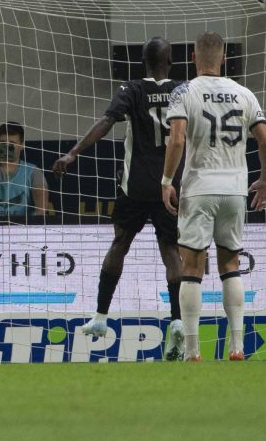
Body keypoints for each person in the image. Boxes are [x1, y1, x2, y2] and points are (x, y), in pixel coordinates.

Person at [52, 37, 186, 360]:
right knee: (171, 251)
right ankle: (178, 319)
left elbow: (106, 122)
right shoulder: (183, 90)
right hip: (170, 185)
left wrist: (73, 154)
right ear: (170, 63)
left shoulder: (132, 89)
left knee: (119, 245)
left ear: (143, 63)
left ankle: (100, 317)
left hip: (135, 185)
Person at [161, 31, 266, 362]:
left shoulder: (184, 91)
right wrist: (265, 180)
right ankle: (237, 347)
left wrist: (167, 180)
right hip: (235, 189)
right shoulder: (243, 93)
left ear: (193, 58)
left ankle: (193, 351)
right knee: (230, 264)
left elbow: (177, 140)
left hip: (199, 188)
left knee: (192, 266)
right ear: (223, 58)